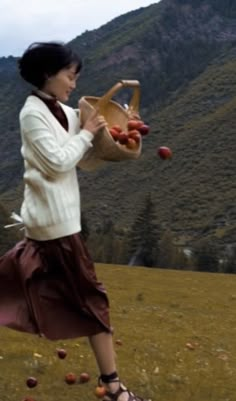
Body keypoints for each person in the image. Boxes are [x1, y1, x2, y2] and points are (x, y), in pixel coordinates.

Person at [0, 42, 147, 401]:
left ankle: (113, 387)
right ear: (48, 74)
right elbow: (56, 164)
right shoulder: (32, 114)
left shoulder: (64, 112)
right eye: (70, 75)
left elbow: (83, 160)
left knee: (28, 286)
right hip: (57, 227)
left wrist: (117, 131)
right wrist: (85, 134)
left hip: (57, 223)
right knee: (93, 302)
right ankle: (114, 388)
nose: (74, 83)